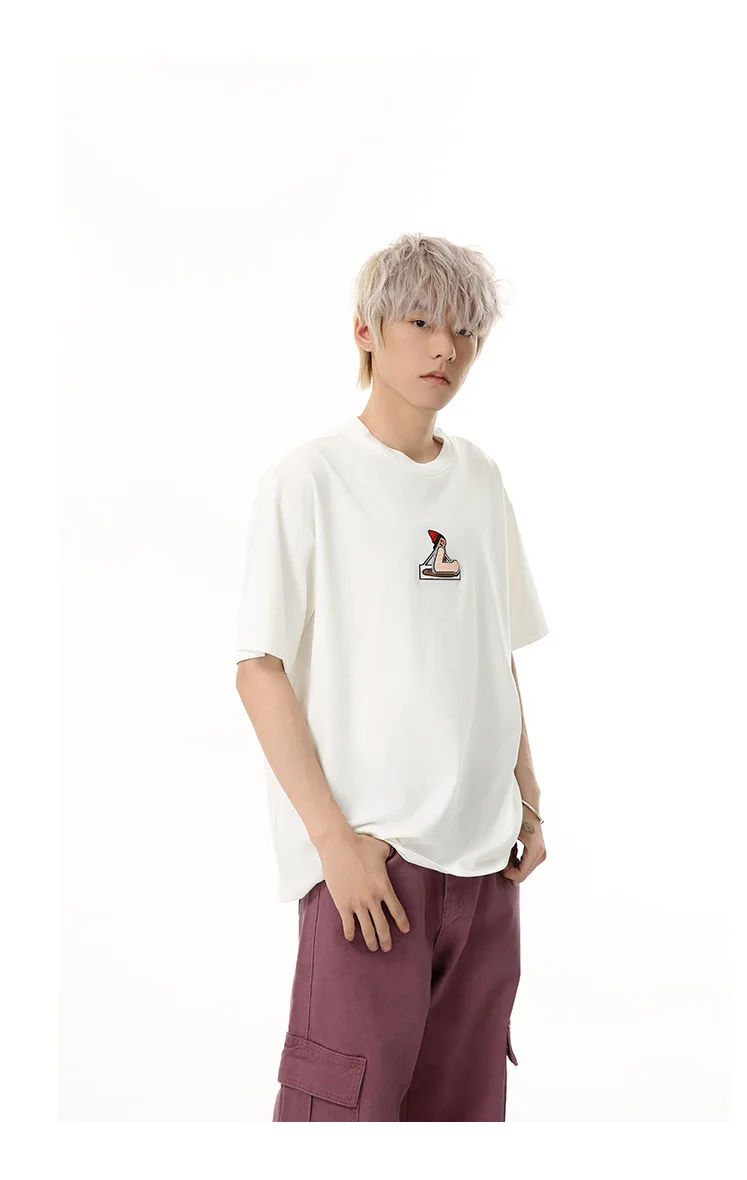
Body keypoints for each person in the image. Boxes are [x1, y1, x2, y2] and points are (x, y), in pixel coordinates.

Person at [235, 233, 549, 1121]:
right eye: (420, 322)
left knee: (464, 1121)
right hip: (373, 871)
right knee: (344, 1118)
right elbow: (259, 669)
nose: (446, 348)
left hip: (485, 871)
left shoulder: (479, 479)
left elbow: (494, 651)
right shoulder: (311, 479)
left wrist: (528, 801)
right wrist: (332, 845)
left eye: (465, 330)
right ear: (366, 331)